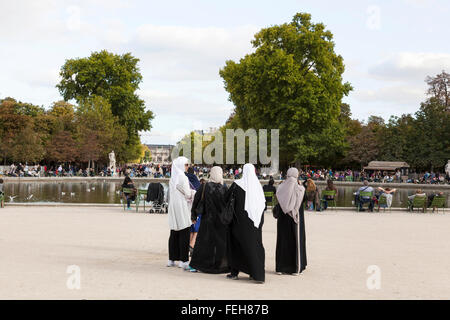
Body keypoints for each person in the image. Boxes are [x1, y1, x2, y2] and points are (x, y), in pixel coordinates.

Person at [225, 163, 266, 283]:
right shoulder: (258, 186)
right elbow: (262, 205)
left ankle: (234, 272)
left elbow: (226, 198)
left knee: (237, 245)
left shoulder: (237, 185)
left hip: (239, 222)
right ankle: (256, 273)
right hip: (255, 223)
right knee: (254, 246)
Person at [188, 166, 229, 273]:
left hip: (207, 219)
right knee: (220, 244)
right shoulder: (224, 188)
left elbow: (196, 201)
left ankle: (199, 264)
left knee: (204, 243)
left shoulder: (204, 187)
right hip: (221, 221)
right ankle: (220, 265)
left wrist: (193, 215)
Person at [274, 167, 307, 275]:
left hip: (283, 219)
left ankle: (281, 267)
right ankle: (295, 268)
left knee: (283, 241)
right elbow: (305, 200)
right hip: (295, 218)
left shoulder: (281, 187)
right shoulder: (300, 189)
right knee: (295, 241)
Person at [167, 156, 195, 270]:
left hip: (173, 205)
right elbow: (188, 194)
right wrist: (194, 192)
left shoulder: (172, 178)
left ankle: (171, 259)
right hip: (182, 205)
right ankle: (183, 260)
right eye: (186, 164)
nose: (188, 167)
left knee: (174, 232)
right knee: (184, 231)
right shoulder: (183, 177)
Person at [186, 166, 201, 254]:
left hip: (186, 206)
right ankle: (192, 245)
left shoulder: (184, 179)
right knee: (196, 228)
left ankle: (190, 246)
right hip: (195, 207)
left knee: (191, 228)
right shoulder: (196, 180)